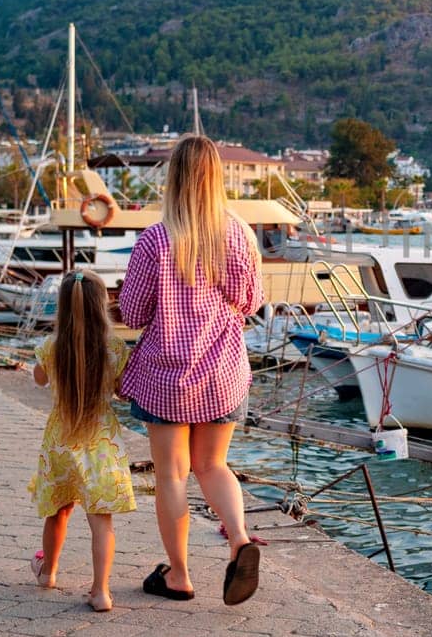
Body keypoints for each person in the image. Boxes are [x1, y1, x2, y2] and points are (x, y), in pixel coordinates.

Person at [119, 135, 266, 606]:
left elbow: (133, 313)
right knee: (213, 465)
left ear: (174, 179)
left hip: (168, 376)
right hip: (222, 371)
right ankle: (239, 540)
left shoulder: (155, 240)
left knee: (172, 475)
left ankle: (179, 575)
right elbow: (251, 301)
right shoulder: (236, 235)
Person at [28, 270, 135, 612]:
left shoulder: (50, 347)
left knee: (58, 510)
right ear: (101, 304)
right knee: (101, 520)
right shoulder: (114, 348)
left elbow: (40, 381)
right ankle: (101, 591)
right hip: (101, 442)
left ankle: (48, 572)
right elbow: (119, 390)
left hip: (60, 439)